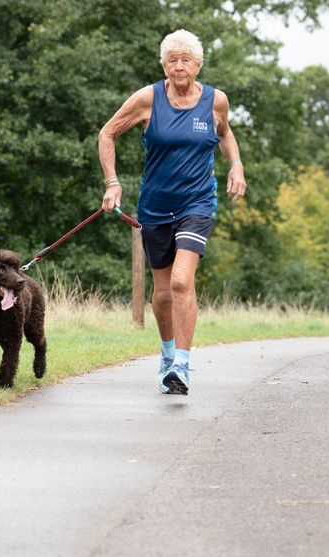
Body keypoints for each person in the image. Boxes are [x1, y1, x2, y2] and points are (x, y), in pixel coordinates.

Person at [97, 29, 246, 395]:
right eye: (172, 60)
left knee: (181, 281)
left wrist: (236, 164)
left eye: (186, 60)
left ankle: (182, 363)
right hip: (155, 206)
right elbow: (107, 133)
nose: (179, 66)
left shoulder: (215, 100)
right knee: (163, 292)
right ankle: (166, 357)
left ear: (198, 65)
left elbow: (225, 133)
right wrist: (112, 182)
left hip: (197, 203)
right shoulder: (147, 99)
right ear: (164, 65)